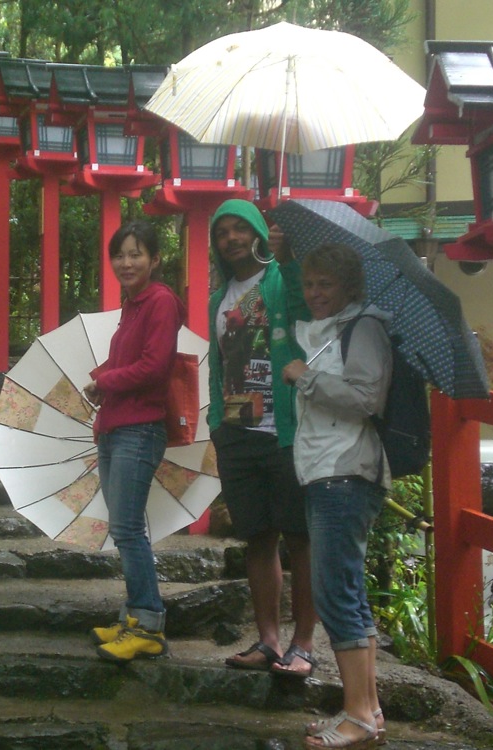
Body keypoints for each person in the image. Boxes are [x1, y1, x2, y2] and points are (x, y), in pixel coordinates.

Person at [282, 242, 392, 748]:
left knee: (336, 593)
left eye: (325, 283)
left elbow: (367, 398)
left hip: (344, 472)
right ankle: (367, 708)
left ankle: (356, 716)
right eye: (309, 284)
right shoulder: (332, 331)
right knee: (347, 591)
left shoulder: (363, 326)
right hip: (329, 471)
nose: (315, 293)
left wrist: (307, 380)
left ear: (349, 285)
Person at [207, 199, 318, 678]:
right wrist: (215, 420)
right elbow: (217, 362)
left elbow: (301, 307)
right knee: (257, 537)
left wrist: (289, 258)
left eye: (239, 228)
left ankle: (306, 643)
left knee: (300, 537)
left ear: (256, 231)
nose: (231, 238)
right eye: (222, 232)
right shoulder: (220, 297)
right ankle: (269, 639)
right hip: (236, 432)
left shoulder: (279, 278)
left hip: (283, 431)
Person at [83, 220, 184, 662]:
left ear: (155, 259)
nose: (126, 262)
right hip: (116, 424)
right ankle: (133, 616)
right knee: (124, 527)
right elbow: (130, 360)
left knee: (127, 528)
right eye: (119, 255)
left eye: (136, 253)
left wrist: (108, 378)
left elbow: (154, 367)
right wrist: (102, 380)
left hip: (140, 429)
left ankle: (147, 624)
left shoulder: (160, 301)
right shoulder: (132, 306)